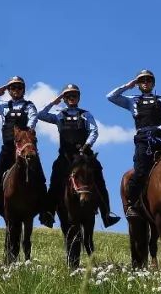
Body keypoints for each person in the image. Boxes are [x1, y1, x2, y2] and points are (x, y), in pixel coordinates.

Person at [38, 84, 120, 228]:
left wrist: (86, 146)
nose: (71, 98)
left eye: (74, 95)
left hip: (84, 155)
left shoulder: (86, 114)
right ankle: (48, 213)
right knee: (55, 180)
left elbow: (94, 131)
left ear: (78, 98)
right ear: (64, 98)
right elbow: (40, 115)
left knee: (99, 179)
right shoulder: (59, 114)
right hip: (65, 156)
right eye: (68, 96)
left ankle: (106, 214)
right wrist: (54, 101)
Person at [107, 69, 161, 218]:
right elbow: (111, 96)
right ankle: (133, 203)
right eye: (142, 80)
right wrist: (128, 85)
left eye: (148, 80)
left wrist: (159, 129)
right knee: (140, 170)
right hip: (143, 138)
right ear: (138, 84)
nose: (145, 83)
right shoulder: (132, 100)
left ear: (153, 83)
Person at [0, 76, 48, 225]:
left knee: (40, 178)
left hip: (25, 148)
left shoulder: (29, 106)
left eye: (19, 87)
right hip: (7, 148)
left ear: (23, 89)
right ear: (9, 90)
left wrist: (27, 133)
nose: (16, 90)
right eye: (12, 88)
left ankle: (45, 211)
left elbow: (33, 121)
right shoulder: (3, 106)